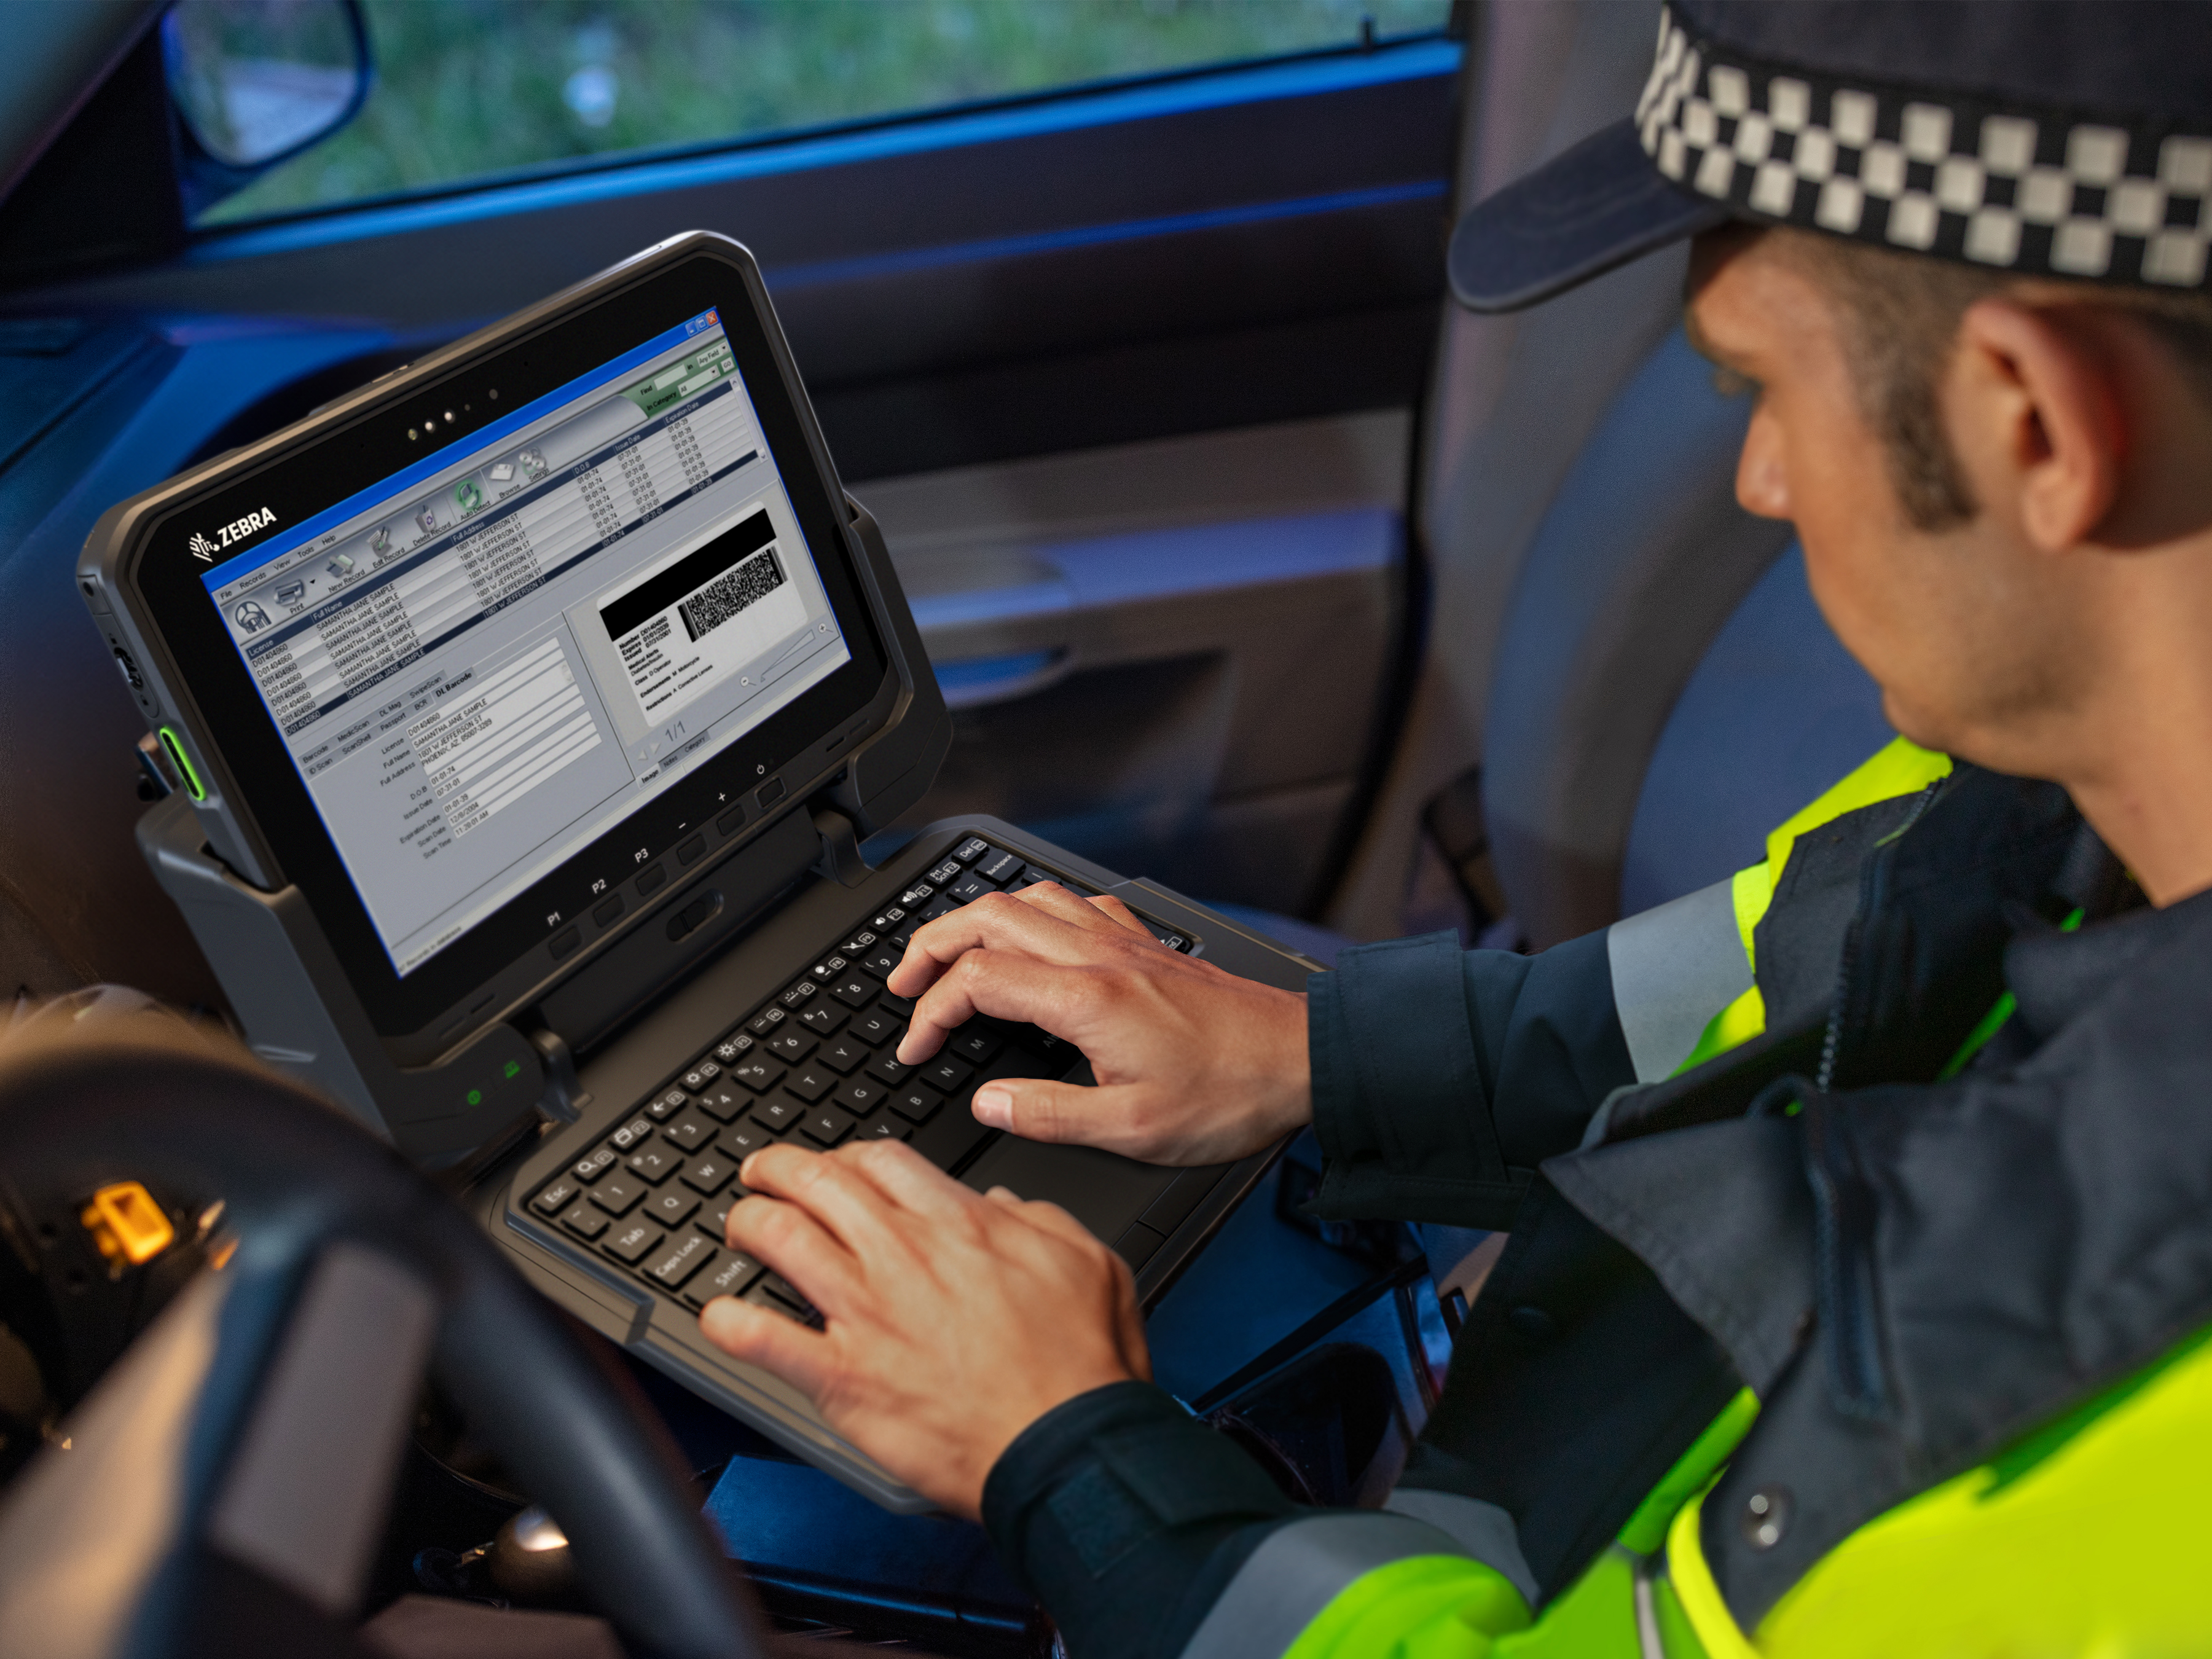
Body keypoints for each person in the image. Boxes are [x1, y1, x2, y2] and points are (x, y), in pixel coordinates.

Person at [699, 4, 2212, 1652]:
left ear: (2036, 422)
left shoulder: (2108, 1478)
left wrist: (1071, 1454)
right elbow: (1739, 978)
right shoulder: (2059, 784)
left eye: (1761, 387)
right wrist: (1309, 1052)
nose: (1762, 483)